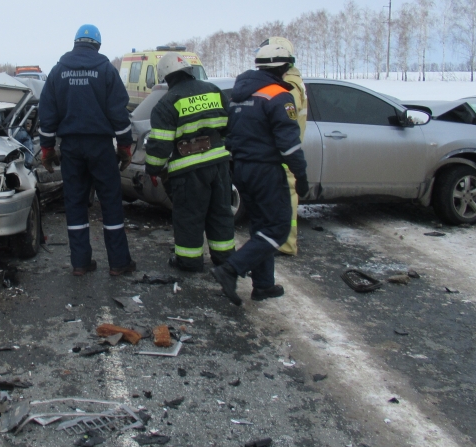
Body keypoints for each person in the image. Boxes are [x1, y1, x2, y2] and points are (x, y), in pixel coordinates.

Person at [210, 43, 308, 305]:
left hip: (243, 170)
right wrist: (301, 175)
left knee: (260, 227)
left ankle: (263, 285)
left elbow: (232, 135)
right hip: (265, 170)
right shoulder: (278, 96)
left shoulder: (241, 94)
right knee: (277, 228)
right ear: (284, 66)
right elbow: (289, 143)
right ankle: (231, 269)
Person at [38, 24, 136, 276]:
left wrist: (47, 149)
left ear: (75, 43)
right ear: (97, 45)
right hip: (101, 147)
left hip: (70, 148)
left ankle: (80, 263)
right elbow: (118, 112)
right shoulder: (105, 70)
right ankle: (119, 263)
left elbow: (47, 115)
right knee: (111, 202)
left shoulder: (58, 71)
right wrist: (125, 146)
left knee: (75, 203)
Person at [144, 52, 235, 271]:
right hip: (219, 166)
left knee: (189, 217)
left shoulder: (167, 103)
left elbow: (160, 147)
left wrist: (153, 169)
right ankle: (225, 261)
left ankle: (190, 261)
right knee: (220, 213)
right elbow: (229, 128)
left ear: (167, 77)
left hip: (189, 171)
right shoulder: (214, 91)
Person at [260, 36, 308, 256]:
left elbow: (282, 117)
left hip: (284, 157)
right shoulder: (289, 82)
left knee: (286, 201)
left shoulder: (290, 86)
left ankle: (286, 244)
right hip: (281, 155)